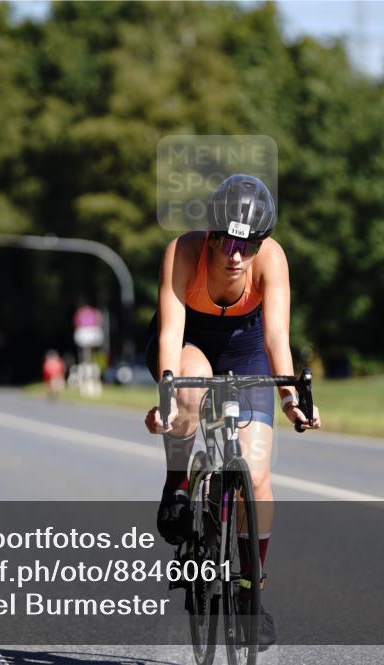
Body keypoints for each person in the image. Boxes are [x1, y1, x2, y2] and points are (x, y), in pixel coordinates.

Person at [143, 174, 321, 649]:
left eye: (249, 243)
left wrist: (290, 401)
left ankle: (250, 591)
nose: (237, 254)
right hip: (190, 342)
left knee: (257, 472)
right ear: (212, 233)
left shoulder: (272, 259)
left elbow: (277, 338)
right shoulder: (183, 251)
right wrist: (165, 395)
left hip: (247, 352)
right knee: (186, 392)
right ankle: (178, 484)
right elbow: (168, 332)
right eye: (226, 241)